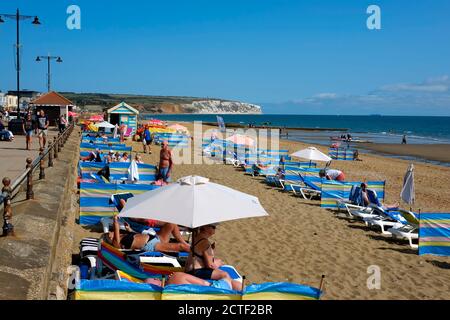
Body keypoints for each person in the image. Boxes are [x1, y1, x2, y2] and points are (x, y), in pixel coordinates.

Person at [185, 224, 241, 291]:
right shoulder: (205, 242)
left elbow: (200, 253)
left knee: (219, 262)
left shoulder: (196, 236)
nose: (215, 229)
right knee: (225, 275)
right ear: (205, 228)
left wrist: (210, 250)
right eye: (213, 227)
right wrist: (219, 268)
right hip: (196, 272)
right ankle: (226, 292)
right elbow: (210, 265)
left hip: (190, 269)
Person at [109, 214, 190, 253]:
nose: (110, 232)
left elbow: (137, 237)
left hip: (156, 238)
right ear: (109, 238)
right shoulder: (117, 243)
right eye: (108, 234)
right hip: (152, 245)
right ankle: (197, 254)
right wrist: (115, 220)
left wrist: (130, 230)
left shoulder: (124, 236)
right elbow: (116, 228)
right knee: (181, 247)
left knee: (171, 224)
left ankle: (185, 243)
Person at [143, 272, 234, 290]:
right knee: (225, 275)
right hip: (217, 290)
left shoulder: (167, 294)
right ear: (157, 279)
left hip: (208, 296)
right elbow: (204, 283)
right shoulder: (175, 277)